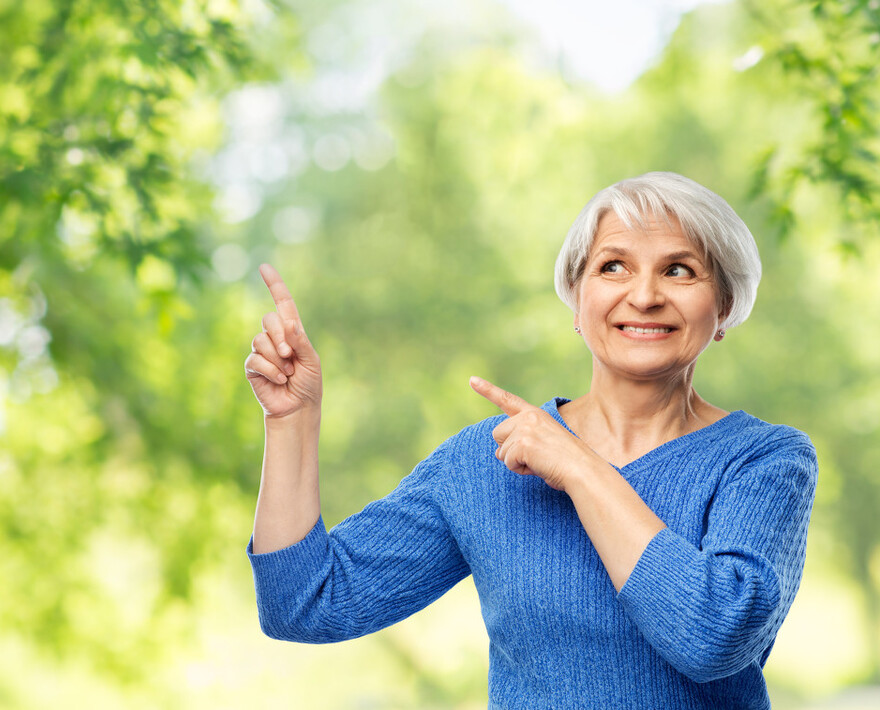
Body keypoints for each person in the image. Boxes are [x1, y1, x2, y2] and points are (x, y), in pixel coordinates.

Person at [243, 171, 817, 708]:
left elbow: (713, 637)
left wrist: (580, 468)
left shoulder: (765, 461)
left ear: (724, 307)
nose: (644, 295)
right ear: (576, 297)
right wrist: (291, 421)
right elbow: (305, 603)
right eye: (613, 266)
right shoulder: (489, 459)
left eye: (679, 270)